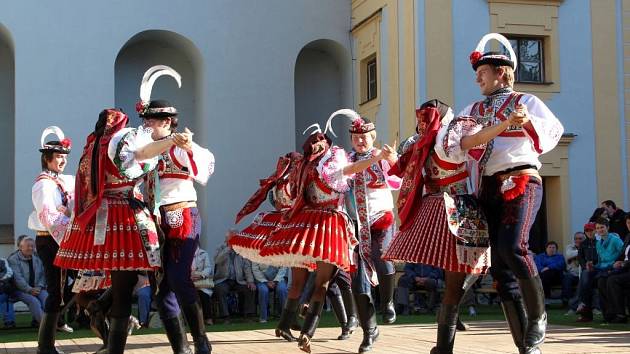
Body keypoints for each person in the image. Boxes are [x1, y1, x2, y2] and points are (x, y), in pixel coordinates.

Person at [54, 105, 190, 354]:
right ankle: (120, 345)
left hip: (102, 218)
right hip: (125, 218)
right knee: (129, 288)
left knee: (122, 288)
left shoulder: (92, 148)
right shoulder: (121, 141)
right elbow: (140, 157)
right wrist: (170, 141)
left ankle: (105, 325)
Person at [257, 111, 389, 353]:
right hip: (328, 226)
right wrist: (376, 157)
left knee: (322, 282)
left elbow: (284, 195)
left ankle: (305, 327)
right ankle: (309, 330)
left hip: (311, 227)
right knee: (325, 283)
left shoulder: (307, 169)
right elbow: (349, 170)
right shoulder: (328, 165)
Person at [383, 100, 491, 354]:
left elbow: (402, 170)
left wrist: (391, 158)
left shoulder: (420, 141)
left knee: (461, 275)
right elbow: (480, 148)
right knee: (466, 273)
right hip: (458, 209)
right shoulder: (451, 134)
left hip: (432, 207)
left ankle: (444, 342)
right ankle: (444, 344)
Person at [138, 65, 215, 354]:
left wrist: (189, 146)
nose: (149, 126)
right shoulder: (146, 148)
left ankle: (201, 341)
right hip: (154, 222)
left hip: (181, 214)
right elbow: (140, 156)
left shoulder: (180, 147)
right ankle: (181, 348)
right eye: (147, 121)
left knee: (179, 277)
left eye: (154, 121)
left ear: (168, 121)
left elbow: (204, 166)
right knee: (162, 286)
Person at [328, 112, 400, 334]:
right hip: (354, 225)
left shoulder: (382, 157)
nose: (360, 141)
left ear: (373, 136)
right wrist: (376, 159)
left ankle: (387, 301)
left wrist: (393, 159)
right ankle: (369, 330)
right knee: (357, 278)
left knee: (382, 258)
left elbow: (398, 181)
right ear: (350, 139)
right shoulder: (346, 159)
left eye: (365, 136)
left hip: (380, 219)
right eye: (356, 137)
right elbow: (344, 173)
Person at [28, 126, 75, 353]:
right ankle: (45, 346)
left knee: (81, 283)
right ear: (47, 159)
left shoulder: (64, 181)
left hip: (63, 238)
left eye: (65, 156)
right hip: (50, 240)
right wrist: (71, 231)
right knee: (56, 291)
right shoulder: (43, 184)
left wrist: (69, 214)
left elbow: (74, 205)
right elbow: (49, 216)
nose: (63, 161)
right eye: (58, 157)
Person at [576, 218, 624, 322]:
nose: (600, 230)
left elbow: (623, 254)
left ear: (608, 227)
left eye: (602, 227)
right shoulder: (599, 243)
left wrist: (618, 263)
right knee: (586, 273)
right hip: (602, 269)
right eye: (597, 228)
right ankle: (585, 306)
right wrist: (593, 266)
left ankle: (585, 307)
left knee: (600, 280)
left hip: (614, 268)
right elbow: (601, 262)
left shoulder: (615, 240)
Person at [213, 234, 257, 322]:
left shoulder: (242, 250)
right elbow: (217, 260)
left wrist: (250, 281)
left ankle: (248, 315)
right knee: (221, 290)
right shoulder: (221, 248)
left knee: (249, 288)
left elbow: (247, 267)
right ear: (227, 240)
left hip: (238, 280)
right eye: (231, 239)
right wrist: (228, 249)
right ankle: (225, 316)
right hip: (223, 279)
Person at [8, 236, 48, 326]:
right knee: (34, 301)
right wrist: (29, 289)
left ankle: (54, 323)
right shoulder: (13, 259)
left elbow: (43, 274)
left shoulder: (37, 257)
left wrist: (39, 287)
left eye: (32, 246)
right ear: (20, 247)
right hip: (20, 290)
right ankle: (45, 326)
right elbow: (18, 279)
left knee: (47, 299)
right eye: (28, 246)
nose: (30, 248)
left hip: (38, 288)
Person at [599, 213, 630, 323]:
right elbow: (622, 254)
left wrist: (624, 263)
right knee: (602, 279)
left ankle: (620, 314)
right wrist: (617, 262)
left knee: (613, 280)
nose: (629, 225)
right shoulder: (628, 236)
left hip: (627, 269)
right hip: (623, 269)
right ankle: (609, 314)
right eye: (628, 223)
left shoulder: (615, 239)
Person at [191, 246, 214, 325]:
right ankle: (195, 320)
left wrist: (201, 275)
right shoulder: (185, 253)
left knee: (204, 295)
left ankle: (208, 318)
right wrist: (190, 277)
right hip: (190, 282)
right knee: (190, 296)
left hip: (202, 282)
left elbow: (208, 268)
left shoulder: (203, 253)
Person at [562, 232, 584, 307]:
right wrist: (582, 251)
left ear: (584, 239)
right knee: (567, 277)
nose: (578, 240)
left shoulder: (588, 246)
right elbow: (569, 255)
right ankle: (566, 301)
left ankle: (576, 302)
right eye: (576, 239)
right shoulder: (569, 247)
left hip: (583, 273)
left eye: (580, 239)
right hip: (572, 273)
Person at [0, 257, 16, 328]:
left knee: (6, 296)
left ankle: (9, 321)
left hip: (2, 289)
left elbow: (9, 273)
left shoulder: (2, 260)